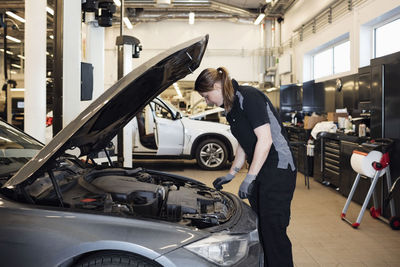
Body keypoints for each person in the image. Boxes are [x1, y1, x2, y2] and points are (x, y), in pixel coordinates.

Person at [194, 67, 297, 267]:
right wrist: (232, 173)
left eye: (207, 96)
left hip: (279, 168)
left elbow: (265, 140)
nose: (207, 101)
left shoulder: (248, 97)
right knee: (261, 226)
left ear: (217, 86)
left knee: (273, 229)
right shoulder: (230, 108)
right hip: (261, 168)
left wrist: (249, 177)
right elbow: (244, 140)